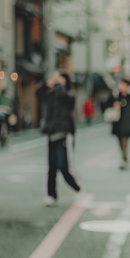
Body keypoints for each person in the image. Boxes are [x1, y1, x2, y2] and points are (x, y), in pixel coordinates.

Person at [37, 71, 81, 205]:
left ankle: (76, 187)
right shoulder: (51, 94)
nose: (57, 82)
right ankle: (51, 195)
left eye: (61, 79)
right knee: (51, 168)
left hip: (63, 134)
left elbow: (63, 94)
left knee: (63, 166)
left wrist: (58, 84)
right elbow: (38, 94)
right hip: (51, 134)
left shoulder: (68, 94)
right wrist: (46, 83)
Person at [106, 78, 130, 169]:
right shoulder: (115, 97)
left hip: (128, 123)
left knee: (124, 140)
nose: (122, 87)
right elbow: (105, 105)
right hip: (118, 123)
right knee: (120, 141)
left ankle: (124, 158)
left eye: (124, 85)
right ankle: (124, 157)